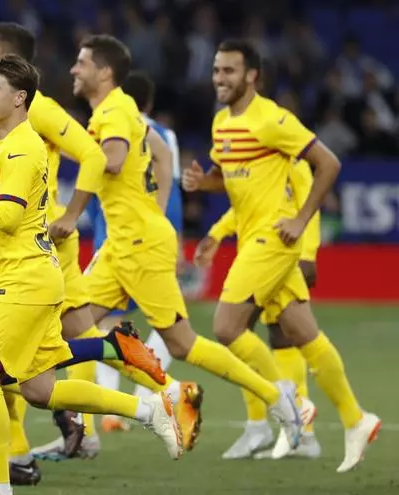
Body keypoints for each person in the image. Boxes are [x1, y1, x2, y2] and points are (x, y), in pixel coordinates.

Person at [0, 53, 182, 495]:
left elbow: (6, 218)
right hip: (34, 275)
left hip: (23, 279)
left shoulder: (23, 148)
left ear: (19, 98)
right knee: (40, 390)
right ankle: (148, 410)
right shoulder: (2, 144)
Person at [50, 34, 308, 455]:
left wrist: (67, 158)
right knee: (70, 324)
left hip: (139, 245)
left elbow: (110, 161)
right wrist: (155, 203)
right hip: (124, 241)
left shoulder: (113, 111)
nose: (74, 70)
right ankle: (164, 395)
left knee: (182, 343)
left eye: (81, 63)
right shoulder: (125, 108)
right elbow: (158, 151)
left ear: (105, 72)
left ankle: (278, 399)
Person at [182, 38, 380, 472]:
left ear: (251, 75)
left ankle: (283, 401)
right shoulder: (221, 123)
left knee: (226, 326)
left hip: (272, 240)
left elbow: (328, 163)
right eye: (216, 70)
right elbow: (228, 176)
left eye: (229, 71)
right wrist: (205, 185)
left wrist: (301, 219)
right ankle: (355, 418)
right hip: (252, 234)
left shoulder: (273, 119)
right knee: (304, 334)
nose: (219, 78)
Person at [88, 70, 188, 434]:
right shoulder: (166, 135)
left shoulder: (112, 124)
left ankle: (116, 405)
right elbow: (170, 184)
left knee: (102, 321)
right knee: (167, 320)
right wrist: (170, 229)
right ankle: (147, 397)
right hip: (156, 228)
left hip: (117, 233)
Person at [198, 186, 322, 459]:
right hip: (260, 253)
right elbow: (248, 201)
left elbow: (308, 203)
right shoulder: (263, 158)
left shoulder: (293, 158)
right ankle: (291, 429)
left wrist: (308, 254)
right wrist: (217, 232)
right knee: (263, 336)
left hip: (280, 254)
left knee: (244, 331)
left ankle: (277, 422)